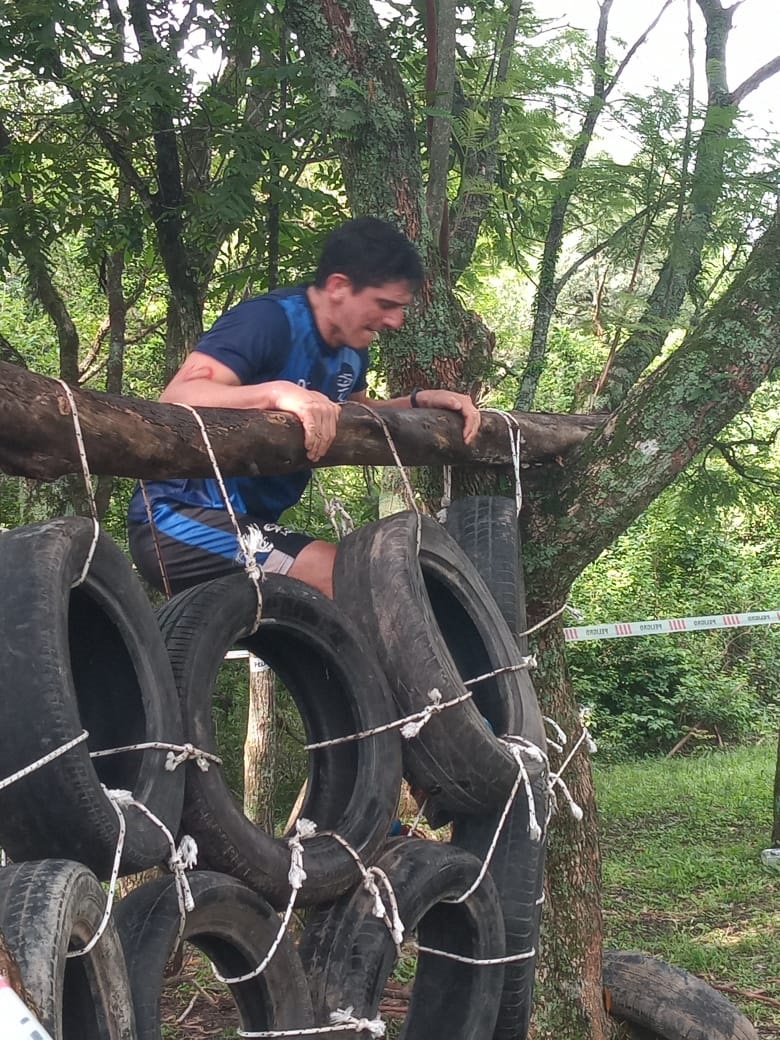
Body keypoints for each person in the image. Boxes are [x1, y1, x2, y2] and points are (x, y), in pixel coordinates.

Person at [127, 216, 481, 598]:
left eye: (400, 308)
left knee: (336, 607)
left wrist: (420, 401)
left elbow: (357, 415)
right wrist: (277, 393)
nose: (395, 321)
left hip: (252, 527)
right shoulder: (269, 320)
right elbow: (178, 394)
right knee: (343, 576)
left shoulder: (352, 353)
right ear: (339, 287)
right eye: (385, 305)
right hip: (176, 519)